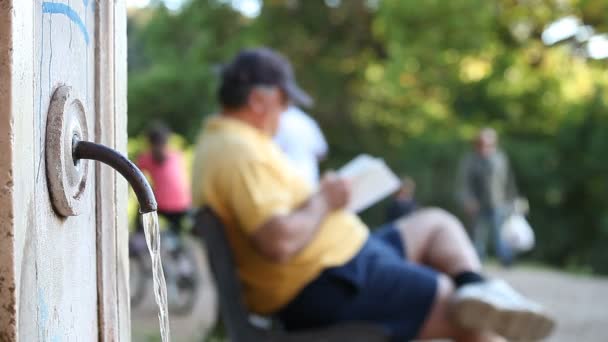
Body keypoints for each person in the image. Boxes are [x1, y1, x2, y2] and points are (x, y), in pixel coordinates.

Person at [191, 48, 553, 342]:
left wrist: (323, 198)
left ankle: (481, 290)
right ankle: (476, 299)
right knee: (458, 308)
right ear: (258, 99)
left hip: (341, 264)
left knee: (436, 224)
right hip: (325, 283)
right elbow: (278, 241)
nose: (286, 112)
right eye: (285, 101)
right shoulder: (240, 152)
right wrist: (325, 201)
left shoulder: (228, 142)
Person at [457, 128, 518, 266]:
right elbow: (464, 183)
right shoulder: (470, 160)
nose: (485, 148)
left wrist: (513, 200)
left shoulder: (501, 158)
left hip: (499, 203)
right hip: (478, 205)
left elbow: (508, 181)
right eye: (482, 144)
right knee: (478, 236)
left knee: (501, 234)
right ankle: (477, 261)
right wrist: (467, 200)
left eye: (489, 144)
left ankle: (506, 260)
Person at [137, 122, 192, 234]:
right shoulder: (177, 155)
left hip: (164, 205)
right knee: (177, 231)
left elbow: (135, 176)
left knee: (142, 207)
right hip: (183, 204)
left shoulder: (146, 158)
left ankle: (140, 234)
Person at [274, 106, 328, 187]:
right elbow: (322, 152)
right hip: (310, 180)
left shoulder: (277, 121)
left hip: (287, 185)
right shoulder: (306, 120)